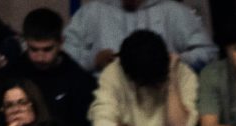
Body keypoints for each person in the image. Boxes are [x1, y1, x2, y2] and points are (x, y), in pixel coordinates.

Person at [0, 8, 98, 126]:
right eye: (34, 49)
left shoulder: (79, 81)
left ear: (61, 42)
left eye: (47, 49)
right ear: (26, 42)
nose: (40, 57)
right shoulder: (8, 75)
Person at [62, 0, 219, 73]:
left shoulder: (172, 11)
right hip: (106, 98)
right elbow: (64, 55)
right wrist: (93, 61)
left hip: (163, 94)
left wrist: (173, 60)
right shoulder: (93, 12)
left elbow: (209, 53)